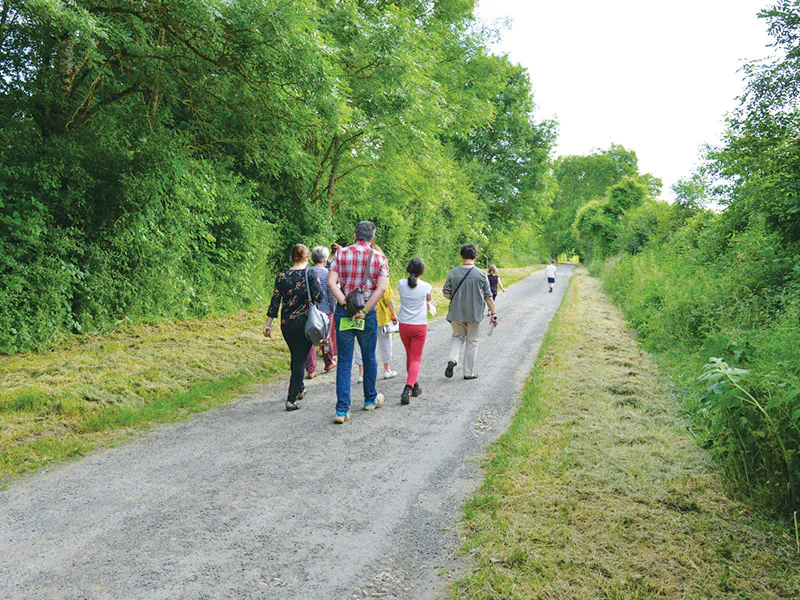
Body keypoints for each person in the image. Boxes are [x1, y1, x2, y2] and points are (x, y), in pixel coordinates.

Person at [328, 221, 389, 424]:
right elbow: (381, 289)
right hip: (367, 314)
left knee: (344, 361)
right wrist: (364, 311)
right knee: (368, 356)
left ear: (354, 236)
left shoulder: (341, 254)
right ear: (373, 239)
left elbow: (331, 283)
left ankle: (341, 410)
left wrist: (346, 306)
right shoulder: (380, 257)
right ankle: (370, 399)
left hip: (344, 313)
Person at [264, 244, 324, 411]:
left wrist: (268, 325)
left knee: (296, 356)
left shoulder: (282, 276)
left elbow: (275, 301)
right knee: (300, 360)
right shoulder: (310, 274)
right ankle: (291, 399)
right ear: (307, 258)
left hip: (287, 325)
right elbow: (320, 296)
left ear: (291, 257)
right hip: (306, 323)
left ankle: (300, 388)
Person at [442, 243, 496, 380]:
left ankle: (453, 359)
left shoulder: (453, 273)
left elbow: (446, 293)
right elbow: (488, 296)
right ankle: (468, 372)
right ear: (476, 257)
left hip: (456, 312)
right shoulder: (481, 274)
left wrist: (457, 297)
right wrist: (493, 312)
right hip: (474, 313)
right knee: (472, 341)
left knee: (457, 337)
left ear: (461, 256)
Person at [355, 244, 398, 382]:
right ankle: (386, 369)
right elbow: (387, 297)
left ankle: (361, 373)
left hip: (361, 311)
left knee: (360, 342)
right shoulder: (382, 273)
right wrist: (393, 313)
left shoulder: (357, 273)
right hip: (380, 314)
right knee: (385, 341)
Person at [397, 257, 433, 404]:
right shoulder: (426, 287)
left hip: (404, 324)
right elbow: (429, 300)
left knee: (410, 355)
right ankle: (408, 387)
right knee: (416, 357)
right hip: (419, 325)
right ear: (422, 272)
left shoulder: (401, 284)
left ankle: (414, 385)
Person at [305, 246, 337, 379]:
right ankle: (329, 362)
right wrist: (333, 309)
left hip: (309, 310)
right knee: (325, 337)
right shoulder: (328, 273)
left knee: (309, 339)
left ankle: (311, 369)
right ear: (325, 260)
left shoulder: (306, 272)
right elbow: (332, 294)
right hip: (325, 310)